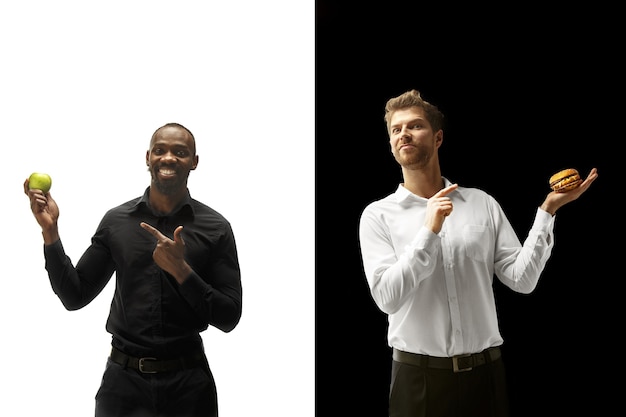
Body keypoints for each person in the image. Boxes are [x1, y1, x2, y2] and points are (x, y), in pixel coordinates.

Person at [358, 89, 598, 417]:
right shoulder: (377, 216)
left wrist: (547, 212)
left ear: (437, 137)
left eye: (415, 126)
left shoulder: (482, 203)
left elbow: (522, 279)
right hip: (419, 382)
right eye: (396, 129)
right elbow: (387, 298)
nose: (404, 134)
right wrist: (429, 231)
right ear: (390, 144)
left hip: (486, 378)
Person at [24, 122, 242, 417]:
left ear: (194, 162)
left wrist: (181, 271)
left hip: (189, 388)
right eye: (160, 150)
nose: (168, 158)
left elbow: (229, 317)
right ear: (148, 157)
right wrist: (50, 232)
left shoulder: (216, 228)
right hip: (123, 387)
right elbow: (75, 296)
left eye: (180, 152)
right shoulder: (117, 222)